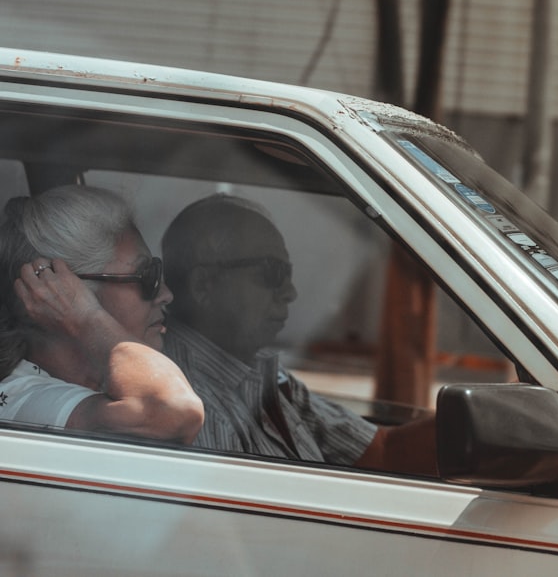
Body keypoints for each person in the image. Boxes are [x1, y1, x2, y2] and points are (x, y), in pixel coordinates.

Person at [161, 194, 436, 475]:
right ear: (203, 285)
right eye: (271, 272)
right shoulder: (192, 407)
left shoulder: (264, 376)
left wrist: (474, 424)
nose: (290, 293)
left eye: (288, 273)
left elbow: (383, 451)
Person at [0, 185, 204, 444]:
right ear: (61, 291)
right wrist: (86, 318)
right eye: (147, 276)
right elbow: (176, 412)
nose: (165, 294)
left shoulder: (99, 389)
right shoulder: (25, 401)